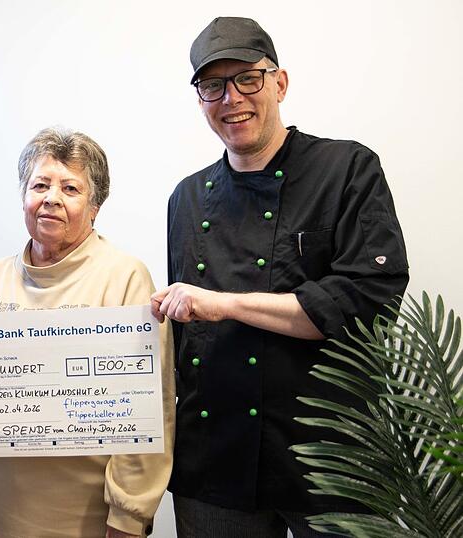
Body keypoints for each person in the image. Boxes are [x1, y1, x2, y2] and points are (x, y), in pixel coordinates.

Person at [150, 17, 409, 538]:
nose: (232, 98)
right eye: (213, 85)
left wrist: (223, 303)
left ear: (280, 82)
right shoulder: (187, 198)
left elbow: (367, 301)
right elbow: (184, 338)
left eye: (247, 78)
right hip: (216, 461)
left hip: (332, 459)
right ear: (200, 99)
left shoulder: (347, 168)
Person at [0, 126, 175, 538]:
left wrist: (129, 517)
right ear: (24, 196)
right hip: (1, 517)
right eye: (40, 185)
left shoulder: (125, 277)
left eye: (70, 188)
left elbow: (151, 413)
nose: (51, 198)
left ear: (95, 206)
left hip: (91, 524)